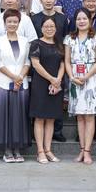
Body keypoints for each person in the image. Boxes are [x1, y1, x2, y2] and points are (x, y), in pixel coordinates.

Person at [65, 8, 96, 165]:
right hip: (75, 79)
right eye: (78, 19)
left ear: (90, 20)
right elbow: (67, 61)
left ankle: (87, 151)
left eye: (84, 19)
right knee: (79, 116)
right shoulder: (69, 38)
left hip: (91, 79)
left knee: (89, 116)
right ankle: (81, 150)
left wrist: (86, 76)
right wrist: (72, 77)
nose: (81, 21)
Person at [0, 9, 32, 163]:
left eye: (15, 21)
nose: (12, 24)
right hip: (4, 83)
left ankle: (17, 149)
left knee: (19, 116)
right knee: (5, 116)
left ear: (19, 23)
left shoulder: (24, 41)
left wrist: (20, 77)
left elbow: (27, 62)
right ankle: (7, 151)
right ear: (4, 23)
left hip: (21, 83)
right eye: (9, 21)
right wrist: (14, 77)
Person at [29, 16, 65, 164]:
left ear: (56, 28)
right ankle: (40, 151)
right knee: (39, 118)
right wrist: (52, 79)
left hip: (56, 85)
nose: (49, 29)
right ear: (41, 28)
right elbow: (36, 65)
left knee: (51, 118)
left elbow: (63, 64)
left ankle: (48, 150)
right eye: (46, 26)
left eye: (52, 26)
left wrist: (58, 81)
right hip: (40, 84)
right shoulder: (36, 43)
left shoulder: (59, 44)